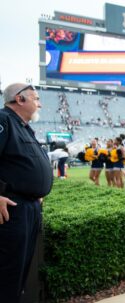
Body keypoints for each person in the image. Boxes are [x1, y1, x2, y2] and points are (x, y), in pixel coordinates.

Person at [0, 83, 53, 303]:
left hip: (29, 207)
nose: (39, 103)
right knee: (7, 274)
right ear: (20, 100)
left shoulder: (22, 125)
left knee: (20, 273)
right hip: (12, 208)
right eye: (36, 98)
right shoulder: (3, 120)